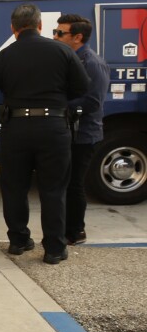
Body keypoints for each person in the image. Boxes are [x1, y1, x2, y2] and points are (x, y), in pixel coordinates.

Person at [0, 4, 89, 264]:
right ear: (40, 25)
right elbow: (82, 87)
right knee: (54, 189)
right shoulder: (63, 51)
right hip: (54, 128)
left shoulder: (4, 56)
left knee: (14, 187)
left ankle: (19, 241)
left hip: (16, 128)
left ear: (13, 28)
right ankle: (54, 248)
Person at [54, 14, 110, 245]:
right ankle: (64, 229)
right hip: (67, 131)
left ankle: (76, 231)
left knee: (74, 184)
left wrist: (58, 107)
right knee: (63, 183)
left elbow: (92, 102)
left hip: (83, 135)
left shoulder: (92, 63)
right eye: (55, 32)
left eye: (60, 33)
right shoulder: (67, 58)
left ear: (77, 37)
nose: (55, 36)